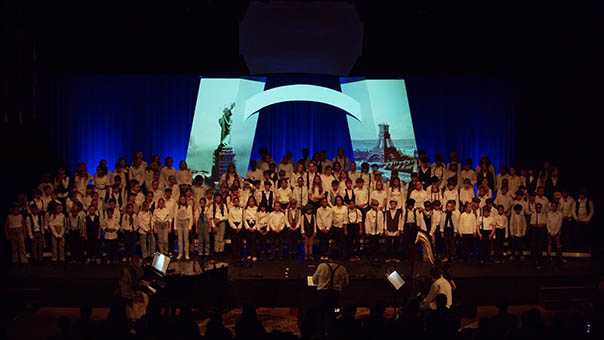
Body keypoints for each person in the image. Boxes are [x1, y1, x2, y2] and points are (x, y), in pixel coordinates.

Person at [312, 247, 349, 335]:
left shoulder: (322, 266)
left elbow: (314, 280)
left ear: (328, 257)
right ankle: (332, 333)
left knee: (321, 313)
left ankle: (320, 333)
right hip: (335, 294)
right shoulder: (342, 268)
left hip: (322, 294)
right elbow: (346, 283)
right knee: (333, 314)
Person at [118, 256, 149, 321]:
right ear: (135, 263)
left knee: (145, 295)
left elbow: (134, 281)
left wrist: (141, 282)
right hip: (129, 294)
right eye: (140, 264)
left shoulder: (130, 269)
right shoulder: (131, 271)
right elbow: (132, 286)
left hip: (129, 291)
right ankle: (138, 319)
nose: (141, 266)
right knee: (145, 297)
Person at [209, 193, 228, 259]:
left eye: (219, 198)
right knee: (216, 238)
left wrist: (220, 220)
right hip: (215, 222)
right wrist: (214, 226)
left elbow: (226, 216)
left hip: (222, 222)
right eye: (216, 198)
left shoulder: (224, 206)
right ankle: (216, 252)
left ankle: (221, 252)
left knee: (221, 238)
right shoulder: (213, 206)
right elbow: (210, 217)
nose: (218, 199)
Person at [174, 195, 193, 260]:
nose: (182, 200)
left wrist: (190, 226)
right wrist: (175, 227)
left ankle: (186, 253)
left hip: (186, 223)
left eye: (183, 199)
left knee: (186, 239)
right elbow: (175, 216)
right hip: (179, 222)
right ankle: (180, 253)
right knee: (180, 239)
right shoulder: (177, 206)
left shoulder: (189, 207)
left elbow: (191, 217)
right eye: (181, 199)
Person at [228, 196, 244, 260]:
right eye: (235, 201)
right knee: (234, 241)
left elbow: (243, 218)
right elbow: (230, 219)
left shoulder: (241, 209)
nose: (236, 202)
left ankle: (240, 255)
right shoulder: (231, 209)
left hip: (240, 225)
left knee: (240, 241)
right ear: (233, 202)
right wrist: (235, 227)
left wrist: (239, 227)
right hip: (233, 226)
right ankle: (234, 255)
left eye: (237, 201)